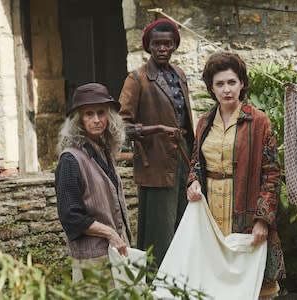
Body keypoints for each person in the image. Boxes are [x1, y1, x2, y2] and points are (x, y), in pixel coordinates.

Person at [187, 52, 285, 299]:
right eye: (220, 84)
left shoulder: (259, 121)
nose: (227, 89)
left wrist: (262, 218)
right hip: (210, 213)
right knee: (215, 280)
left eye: (232, 82)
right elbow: (196, 163)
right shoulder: (204, 122)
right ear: (211, 87)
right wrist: (194, 182)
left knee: (252, 281)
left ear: (242, 83)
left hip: (245, 208)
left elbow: (272, 174)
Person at [118, 18, 194, 266]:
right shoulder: (137, 79)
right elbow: (120, 126)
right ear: (148, 47)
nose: (162, 49)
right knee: (159, 226)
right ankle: (157, 281)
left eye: (168, 44)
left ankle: (182, 278)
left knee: (184, 219)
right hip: (156, 159)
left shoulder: (180, 75)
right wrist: (156, 129)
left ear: (175, 46)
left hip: (183, 156)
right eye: (157, 44)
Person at [55, 83, 131, 283]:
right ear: (78, 120)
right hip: (93, 257)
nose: (96, 120)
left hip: (113, 251)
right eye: (89, 114)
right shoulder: (70, 159)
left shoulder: (102, 151)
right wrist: (109, 233)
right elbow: (71, 216)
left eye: (101, 113)